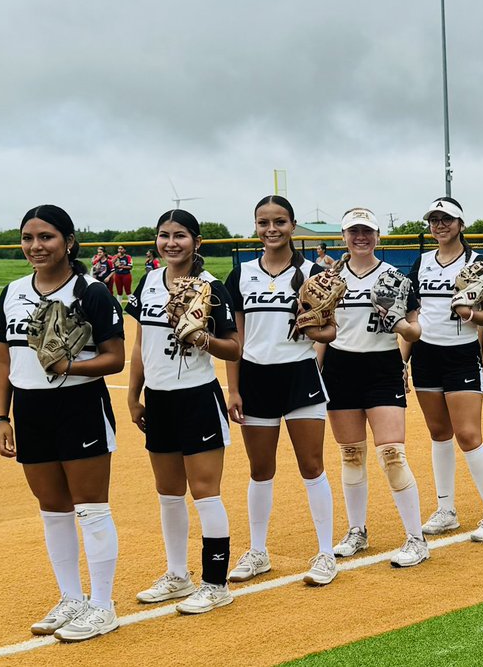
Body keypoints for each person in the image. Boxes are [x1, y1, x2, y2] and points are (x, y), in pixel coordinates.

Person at [0, 205, 126, 642]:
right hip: (30, 410)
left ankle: (102, 605)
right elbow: (2, 358)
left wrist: (69, 366)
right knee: (52, 510)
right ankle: (71, 597)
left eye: (45, 237)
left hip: (79, 405)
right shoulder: (12, 292)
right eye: (27, 238)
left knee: (91, 507)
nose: (35, 246)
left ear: (68, 241)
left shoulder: (91, 291)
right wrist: (0, 417)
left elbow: (115, 358)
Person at [126, 210, 242, 614]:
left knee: (205, 493)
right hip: (159, 400)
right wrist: (133, 395)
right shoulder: (149, 282)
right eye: (163, 235)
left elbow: (234, 348)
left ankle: (215, 583)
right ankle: (178, 575)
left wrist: (201, 336)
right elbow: (141, 343)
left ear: (196, 242)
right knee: (169, 494)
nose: (170, 243)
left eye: (179, 236)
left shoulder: (211, 287)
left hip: (197, 397)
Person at [224, 196, 340, 586]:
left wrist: (311, 328)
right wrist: (233, 389)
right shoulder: (239, 275)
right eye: (263, 222)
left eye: (279, 222)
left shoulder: (313, 272)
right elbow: (235, 339)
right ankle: (258, 551)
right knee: (260, 470)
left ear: (293, 225)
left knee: (312, 466)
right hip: (256, 378)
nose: (271, 229)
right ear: (255, 226)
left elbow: (330, 332)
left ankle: (325, 553)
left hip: (300, 376)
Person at [319, 207, 429, 567]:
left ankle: (416, 538)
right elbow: (322, 330)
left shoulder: (395, 277)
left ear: (378, 237)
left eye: (367, 231)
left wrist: (397, 322)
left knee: (392, 454)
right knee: (351, 453)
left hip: (382, 367)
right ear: (344, 238)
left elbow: (415, 330)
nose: (360, 237)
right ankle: (357, 531)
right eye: (353, 232)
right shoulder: (329, 278)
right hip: (339, 367)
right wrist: (317, 368)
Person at [408, 196, 483, 543]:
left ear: (461, 224)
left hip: (461, 355)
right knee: (439, 434)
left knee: (468, 435)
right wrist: (402, 359)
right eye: (434, 219)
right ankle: (446, 510)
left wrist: (469, 314)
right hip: (425, 354)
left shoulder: (477, 264)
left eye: (447, 219)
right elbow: (412, 314)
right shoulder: (421, 263)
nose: (440, 225)